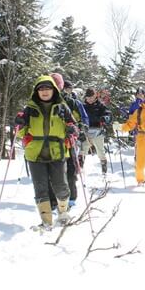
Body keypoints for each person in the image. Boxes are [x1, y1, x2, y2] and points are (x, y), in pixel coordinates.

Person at [14, 75, 78, 229]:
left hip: (57, 152)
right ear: (36, 91)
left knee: (61, 185)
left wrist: (72, 129)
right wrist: (20, 124)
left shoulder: (63, 107)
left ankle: (63, 213)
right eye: (41, 89)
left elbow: (74, 128)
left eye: (47, 88)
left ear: (54, 90)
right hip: (35, 153)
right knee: (40, 188)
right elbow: (20, 133)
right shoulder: (29, 109)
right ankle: (46, 221)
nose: (44, 92)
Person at [48, 73, 88, 209]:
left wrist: (80, 129)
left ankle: (71, 197)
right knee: (52, 172)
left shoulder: (71, 102)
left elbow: (82, 118)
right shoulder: (43, 101)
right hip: (50, 142)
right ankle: (53, 200)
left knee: (70, 169)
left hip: (68, 140)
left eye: (56, 85)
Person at [81, 87, 110, 175]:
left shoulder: (100, 106)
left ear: (95, 97)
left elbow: (108, 114)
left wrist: (105, 118)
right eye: (88, 97)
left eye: (92, 97)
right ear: (85, 98)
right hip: (86, 131)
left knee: (100, 151)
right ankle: (80, 168)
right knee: (82, 150)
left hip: (98, 131)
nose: (90, 99)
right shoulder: (82, 106)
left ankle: (104, 168)